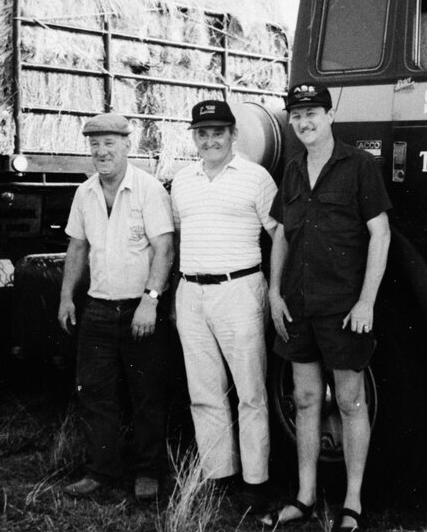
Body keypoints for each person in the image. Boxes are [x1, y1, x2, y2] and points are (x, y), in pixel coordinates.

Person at [261, 83, 391, 532]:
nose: (303, 122)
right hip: (297, 306)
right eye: (296, 115)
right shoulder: (293, 169)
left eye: (312, 112)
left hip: (342, 309)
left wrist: (367, 301)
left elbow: (381, 233)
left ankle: (352, 503)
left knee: (352, 401)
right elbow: (282, 235)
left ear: (330, 115)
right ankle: (305, 495)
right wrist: (275, 292)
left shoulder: (359, 166)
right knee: (306, 399)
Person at [58, 113, 175, 502]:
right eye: (94, 144)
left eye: (110, 143)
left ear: (128, 145)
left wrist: (150, 300)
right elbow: (77, 248)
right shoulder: (85, 193)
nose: (101, 151)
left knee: (147, 394)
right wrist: (65, 298)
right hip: (98, 309)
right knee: (95, 392)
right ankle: (101, 471)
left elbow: (164, 249)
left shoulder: (148, 189)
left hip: (139, 309)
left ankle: (147, 473)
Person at [170, 99, 278, 508]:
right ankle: (219, 476)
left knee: (250, 392)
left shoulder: (257, 177)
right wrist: (177, 293)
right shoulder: (182, 180)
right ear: (194, 138)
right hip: (192, 292)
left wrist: (275, 289)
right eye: (203, 133)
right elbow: (180, 235)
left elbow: (279, 234)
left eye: (219, 131)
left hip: (240, 290)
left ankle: (256, 482)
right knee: (204, 391)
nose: (210, 139)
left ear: (234, 134)